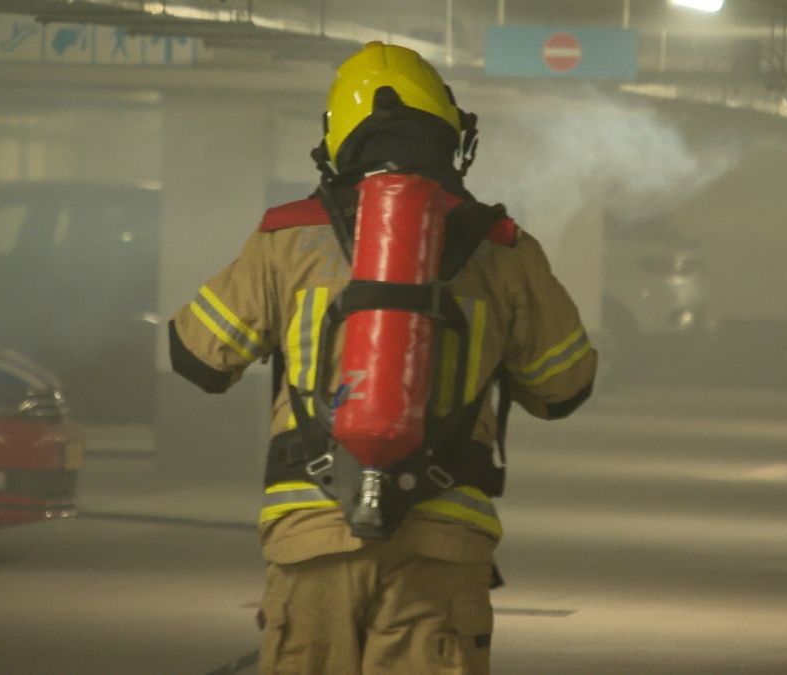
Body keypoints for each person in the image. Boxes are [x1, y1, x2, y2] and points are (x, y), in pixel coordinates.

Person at [169, 41, 596, 675]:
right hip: (442, 540)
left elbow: (197, 356)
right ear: (452, 136)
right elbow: (563, 386)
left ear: (337, 138)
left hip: (311, 530)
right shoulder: (506, 250)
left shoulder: (286, 237)